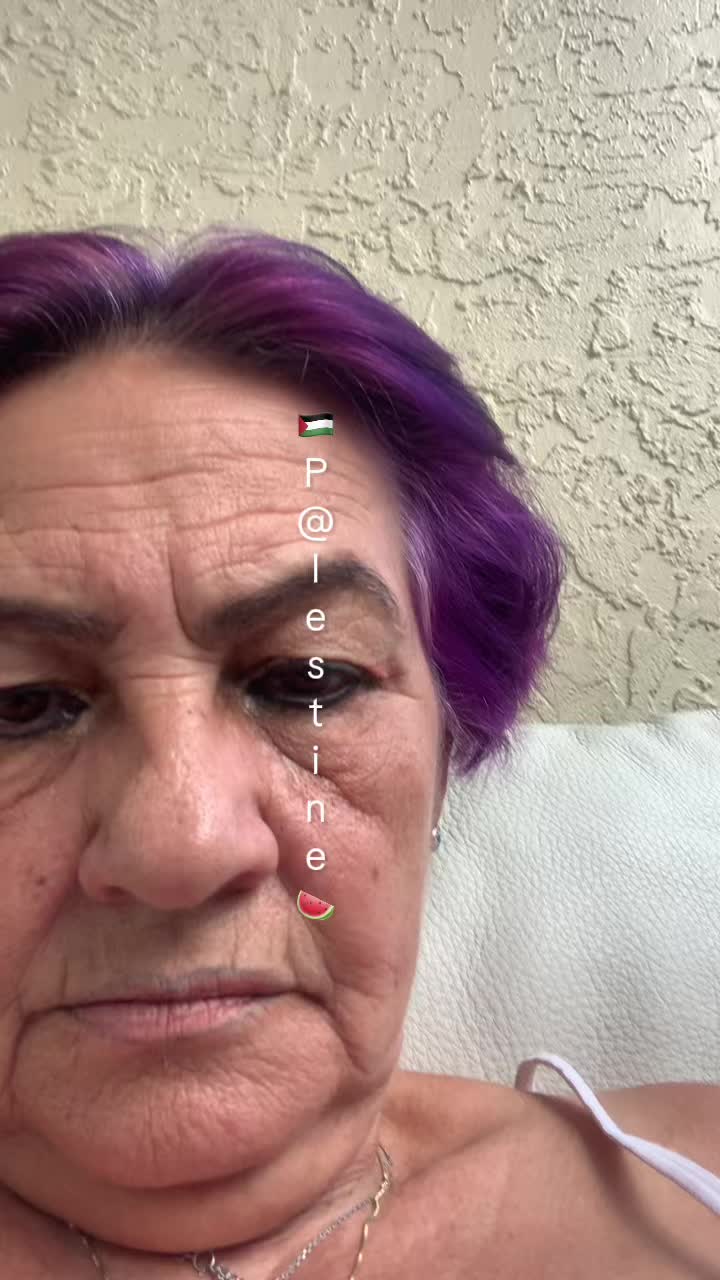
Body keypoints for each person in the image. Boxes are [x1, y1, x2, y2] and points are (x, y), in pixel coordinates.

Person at [0, 226, 717, 1280]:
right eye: (20, 704)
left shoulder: (684, 1194)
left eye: (310, 680)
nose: (181, 845)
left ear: (445, 756)